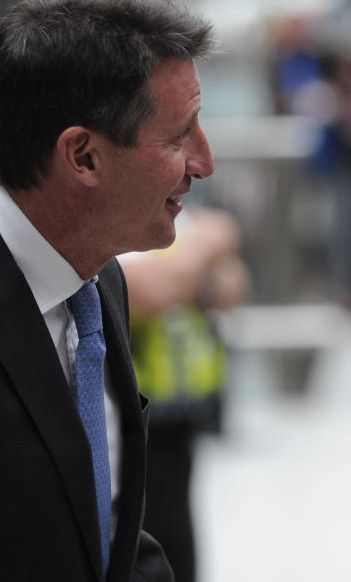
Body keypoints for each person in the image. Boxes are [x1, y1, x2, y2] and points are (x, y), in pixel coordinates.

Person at [0, 0, 214, 581]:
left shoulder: (95, 281)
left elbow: (102, 531)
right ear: (83, 156)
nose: (204, 161)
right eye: (178, 135)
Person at [120, 207, 249, 582]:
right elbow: (149, 291)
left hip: (180, 414)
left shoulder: (179, 223)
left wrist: (188, 274)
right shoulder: (107, 231)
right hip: (132, 415)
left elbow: (231, 287)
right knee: (145, 535)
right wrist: (199, 260)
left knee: (177, 538)